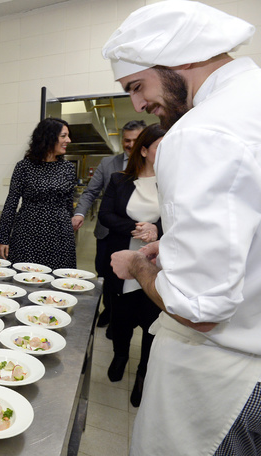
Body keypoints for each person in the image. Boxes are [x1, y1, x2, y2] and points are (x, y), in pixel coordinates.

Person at [102, 1, 261, 454]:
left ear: (182, 57)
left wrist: (138, 265)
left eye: (137, 86)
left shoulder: (200, 131)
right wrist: (174, 250)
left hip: (225, 383)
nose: (138, 104)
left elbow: (199, 308)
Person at [98, 123, 165, 407]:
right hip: (122, 264)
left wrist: (158, 231)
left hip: (157, 267)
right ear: (146, 150)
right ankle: (120, 356)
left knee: (152, 325)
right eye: (162, 146)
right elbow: (106, 215)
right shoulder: (119, 180)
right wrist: (138, 229)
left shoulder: (174, 184)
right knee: (121, 320)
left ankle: (142, 373)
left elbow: (184, 222)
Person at [73, 120, 146, 330]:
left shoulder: (152, 164)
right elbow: (91, 192)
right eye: (127, 140)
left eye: (135, 140)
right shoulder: (108, 164)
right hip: (107, 232)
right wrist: (79, 213)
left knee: (134, 276)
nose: (130, 145)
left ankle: (125, 316)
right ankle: (109, 309)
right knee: (105, 273)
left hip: (138, 234)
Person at [0, 117, 76, 270]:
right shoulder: (24, 167)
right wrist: (3, 238)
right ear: (48, 137)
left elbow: (68, 204)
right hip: (28, 234)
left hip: (59, 237)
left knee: (57, 284)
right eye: (63, 136)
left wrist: (69, 231)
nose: (69, 140)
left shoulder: (68, 168)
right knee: (26, 280)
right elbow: (11, 203)